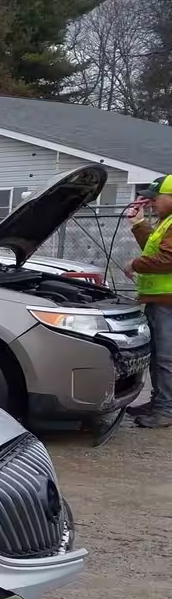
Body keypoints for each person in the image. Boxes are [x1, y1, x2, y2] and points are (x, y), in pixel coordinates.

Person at [125, 175, 172, 428]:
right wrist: (138, 224)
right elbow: (153, 251)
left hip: (169, 302)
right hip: (160, 300)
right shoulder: (167, 223)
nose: (152, 202)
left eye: (156, 197)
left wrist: (134, 264)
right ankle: (159, 402)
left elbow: (167, 260)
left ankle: (167, 409)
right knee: (158, 356)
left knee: (166, 358)